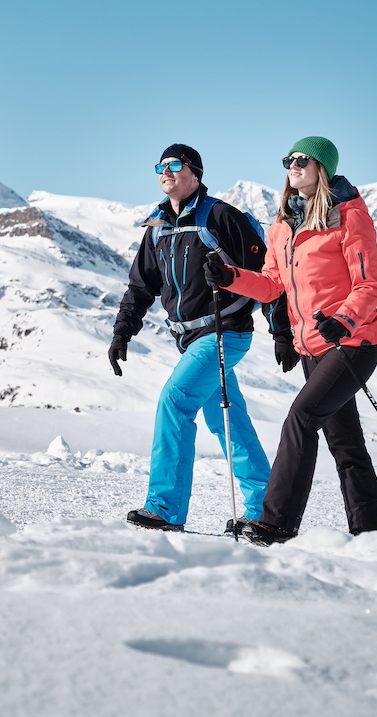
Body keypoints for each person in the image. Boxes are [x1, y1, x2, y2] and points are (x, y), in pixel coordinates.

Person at [204, 136, 377, 545]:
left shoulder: (349, 216)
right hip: (312, 349)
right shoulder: (283, 226)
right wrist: (231, 277)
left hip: (353, 344)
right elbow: (273, 285)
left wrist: (343, 320)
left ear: (322, 167)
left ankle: (276, 523)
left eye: (302, 159)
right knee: (346, 445)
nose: (293, 164)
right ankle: (374, 534)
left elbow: (369, 286)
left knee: (302, 419)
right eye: (288, 159)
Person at [109, 144, 275, 533]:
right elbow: (141, 287)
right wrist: (122, 333)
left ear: (195, 173)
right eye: (160, 166)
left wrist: (280, 330)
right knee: (228, 417)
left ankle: (164, 509)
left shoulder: (220, 216)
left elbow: (267, 274)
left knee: (175, 401)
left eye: (175, 165)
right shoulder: (157, 227)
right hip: (188, 337)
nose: (165, 171)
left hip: (224, 330)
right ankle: (265, 507)